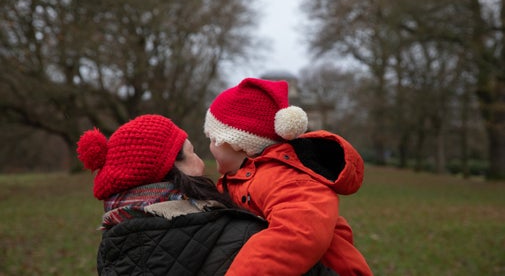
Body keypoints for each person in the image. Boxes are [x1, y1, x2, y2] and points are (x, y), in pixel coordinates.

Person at [76, 114, 337, 276]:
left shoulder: (113, 244)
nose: (203, 163)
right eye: (192, 152)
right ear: (173, 169)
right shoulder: (247, 239)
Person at [204, 78, 373, 276]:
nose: (209, 146)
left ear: (239, 145)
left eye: (213, 139)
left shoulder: (288, 180)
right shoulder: (242, 178)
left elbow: (297, 234)